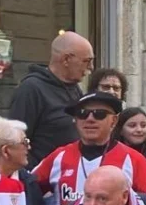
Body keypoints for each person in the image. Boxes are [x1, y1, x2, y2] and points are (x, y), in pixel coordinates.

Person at [33, 92, 146, 205]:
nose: (90, 119)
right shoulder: (58, 157)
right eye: (82, 114)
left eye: (99, 114)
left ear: (114, 121)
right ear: (75, 120)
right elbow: (27, 189)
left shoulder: (133, 159)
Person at [8, 31, 92, 167]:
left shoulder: (75, 88)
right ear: (66, 60)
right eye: (86, 61)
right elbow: (14, 140)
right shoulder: (31, 89)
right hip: (42, 179)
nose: (90, 68)